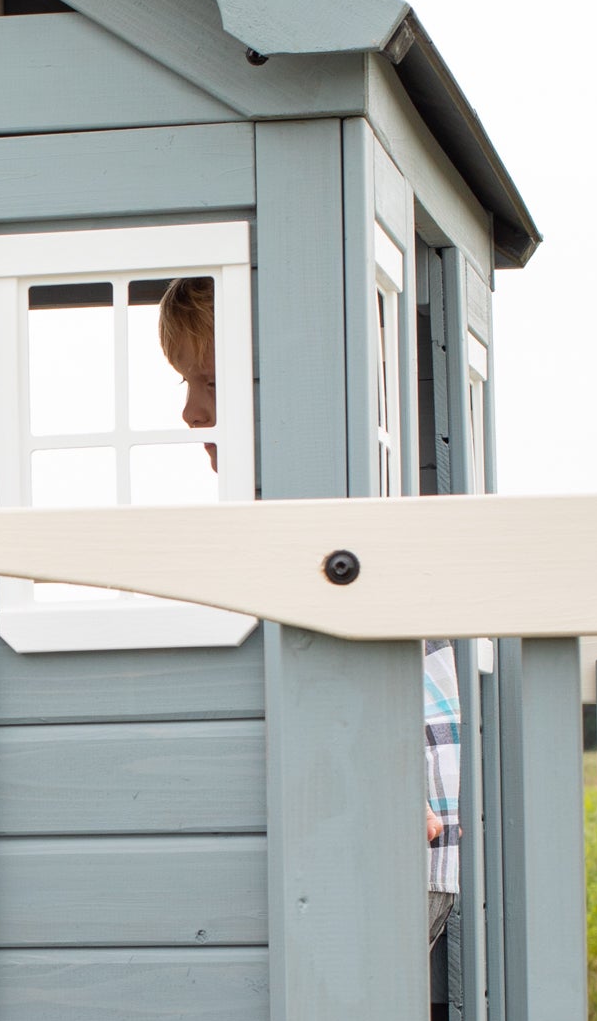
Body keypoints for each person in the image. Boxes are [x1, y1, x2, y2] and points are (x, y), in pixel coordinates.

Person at [157, 276, 458, 941]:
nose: (189, 412)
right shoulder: (275, 516)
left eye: (207, 383)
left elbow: (362, 655)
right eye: (185, 385)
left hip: (391, 833)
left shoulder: (325, 512)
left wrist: (389, 773)